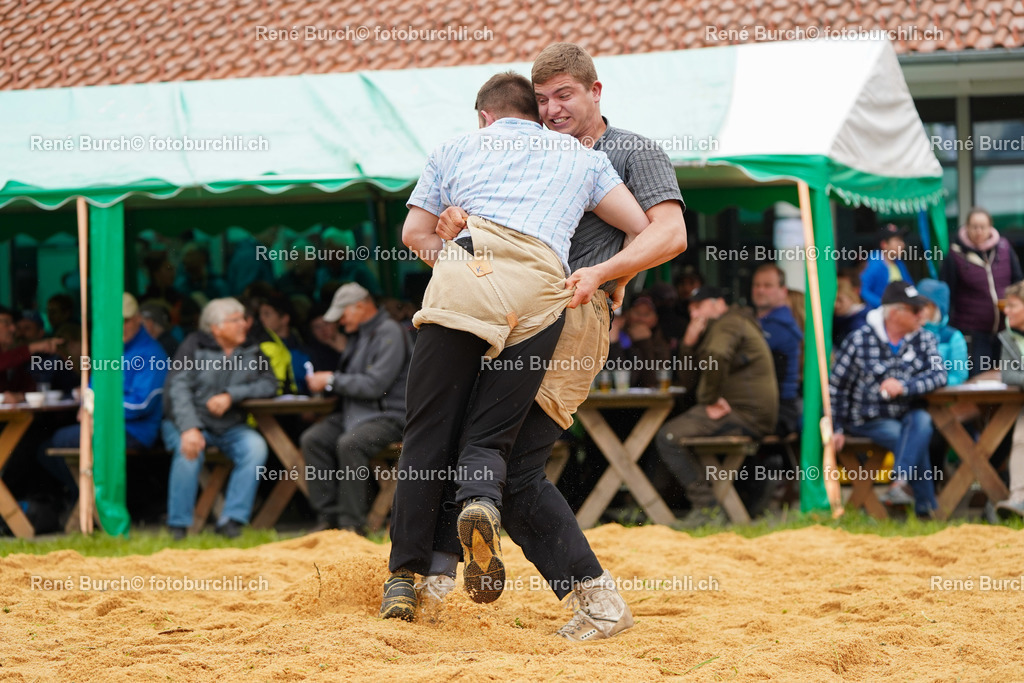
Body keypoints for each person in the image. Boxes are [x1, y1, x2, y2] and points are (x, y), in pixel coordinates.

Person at [406, 43, 687, 641]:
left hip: (575, 314)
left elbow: (670, 233)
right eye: (543, 99)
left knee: (511, 466)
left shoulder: (628, 150)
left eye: (566, 95)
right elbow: (450, 225)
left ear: (595, 92)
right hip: (507, 305)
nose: (554, 109)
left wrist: (606, 275)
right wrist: (456, 229)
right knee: (472, 447)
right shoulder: (523, 150)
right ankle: (431, 579)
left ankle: (597, 600)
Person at [655, 287, 779, 525]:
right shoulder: (720, 325)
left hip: (745, 414)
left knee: (668, 437)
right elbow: (688, 382)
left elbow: (717, 354)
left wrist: (708, 400)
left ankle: (708, 509)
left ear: (718, 303)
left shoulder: (729, 322)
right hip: (745, 412)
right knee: (673, 430)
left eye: (698, 307)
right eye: (691, 309)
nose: (694, 315)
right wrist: (689, 344)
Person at [161, 298, 278, 540]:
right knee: (189, 450)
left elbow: (269, 384)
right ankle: (178, 527)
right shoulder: (193, 345)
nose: (244, 324)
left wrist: (231, 396)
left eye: (243, 319)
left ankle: (231, 521)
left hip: (230, 425)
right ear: (216, 327)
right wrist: (190, 428)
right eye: (236, 320)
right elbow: (177, 390)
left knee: (255, 447)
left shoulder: (252, 348)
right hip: (187, 422)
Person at [830, 281, 948, 518]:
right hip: (868, 418)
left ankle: (899, 487)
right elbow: (837, 386)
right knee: (910, 435)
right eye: (915, 310)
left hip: (907, 412)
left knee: (921, 423)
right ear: (895, 313)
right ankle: (926, 509)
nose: (922, 315)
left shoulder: (924, 338)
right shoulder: (859, 339)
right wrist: (837, 426)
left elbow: (940, 375)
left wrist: (903, 387)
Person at [40, 294, 169, 508]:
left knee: (59, 440)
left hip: (135, 430)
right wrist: (87, 405)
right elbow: (93, 388)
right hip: (107, 425)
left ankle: (88, 503)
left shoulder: (151, 353)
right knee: (46, 446)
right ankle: (87, 501)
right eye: (114, 321)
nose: (119, 327)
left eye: (125, 321)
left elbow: (141, 405)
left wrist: (96, 409)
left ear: (139, 319)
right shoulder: (109, 349)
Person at [301, 284, 410, 533]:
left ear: (361, 306)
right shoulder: (360, 334)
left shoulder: (389, 332)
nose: (339, 321)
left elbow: (375, 386)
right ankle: (328, 519)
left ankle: (351, 525)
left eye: (343, 314)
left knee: (350, 444)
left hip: (391, 417)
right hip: (357, 415)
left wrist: (331, 380)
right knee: (313, 439)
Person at [941, 206, 1023, 375]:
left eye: (982, 227)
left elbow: (1018, 283)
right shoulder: (955, 255)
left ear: (990, 227)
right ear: (967, 227)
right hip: (973, 332)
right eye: (974, 227)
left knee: (1006, 378)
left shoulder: (1004, 248)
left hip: (1005, 330)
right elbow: (947, 294)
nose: (978, 231)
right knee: (978, 379)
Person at [751, 264, 803, 435]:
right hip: (765, 405)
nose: (760, 290)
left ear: (783, 291)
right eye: (757, 285)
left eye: (767, 285)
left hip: (778, 409)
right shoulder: (761, 322)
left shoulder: (780, 327)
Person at [994, 281, 1024, 518]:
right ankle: (1019, 499)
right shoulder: (1008, 338)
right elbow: (1009, 374)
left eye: (1012, 306)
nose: (1006, 311)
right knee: (1021, 436)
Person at [0, 306, 61, 402]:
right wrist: (32, 348)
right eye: (6, 323)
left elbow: (30, 387)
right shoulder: (15, 356)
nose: (13, 329)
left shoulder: (17, 359)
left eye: (12, 323)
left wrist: (21, 396)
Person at [916, 279, 968, 387]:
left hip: (943, 398)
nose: (919, 310)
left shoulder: (952, 337)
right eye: (916, 305)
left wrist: (928, 384)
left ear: (937, 308)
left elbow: (959, 376)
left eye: (924, 305)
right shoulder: (909, 333)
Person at [861, 224, 914, 309]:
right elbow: (863, 290)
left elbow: (909, 286)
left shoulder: (899, 263)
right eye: (897, 241)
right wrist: (883, 305)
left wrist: (914, 302)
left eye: (902, 240)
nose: (902, 244)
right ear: (884, 244)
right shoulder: (874, 264)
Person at [833, 268, 869, 348]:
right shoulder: (840, 318)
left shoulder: (861, 322)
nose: (835, 305)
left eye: (839, 300)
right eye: (833, 300)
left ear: (853, 295)